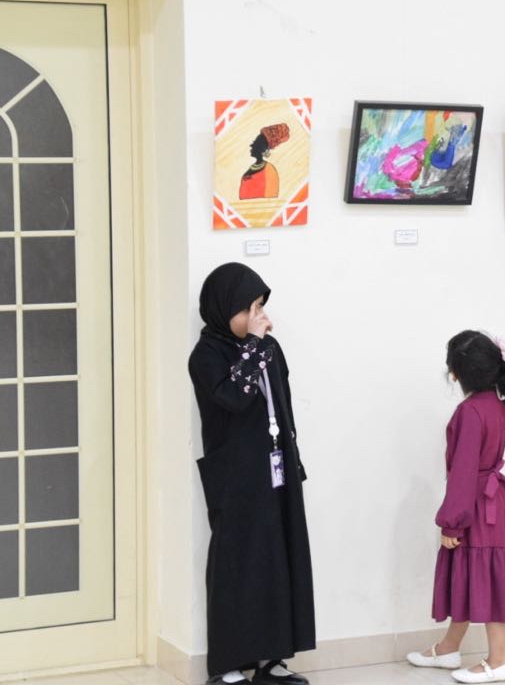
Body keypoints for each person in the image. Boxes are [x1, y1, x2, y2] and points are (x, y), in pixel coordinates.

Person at [188, 263, 315, 685]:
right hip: (235, 476)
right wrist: (255, 346)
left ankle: (271, 659)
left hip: (276, 468)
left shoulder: (269, 349)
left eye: (261, 306)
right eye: (250, 308)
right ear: (223, 309)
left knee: (279, 559)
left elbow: (283, 405)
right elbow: (234, 398)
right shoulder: (207, 356)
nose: (261, 317)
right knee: (237, 565)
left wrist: (293, 460)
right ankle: (226, 665)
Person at [407, 331, 505, 683]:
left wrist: (452, 522)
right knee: (476, 573)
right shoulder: (497, 404)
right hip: (491, 503)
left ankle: (499, 659)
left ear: (455, 373)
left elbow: (463, 472)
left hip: (475, 505)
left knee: (483, 575)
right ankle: (448, 647)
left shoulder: (469, 411)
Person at [238, 123, 287, 199]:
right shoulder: (252, 167)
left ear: (263, 149)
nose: (251, 145)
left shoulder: (269, 170)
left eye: (255, 143)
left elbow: (270, 198)